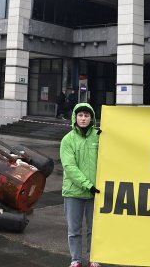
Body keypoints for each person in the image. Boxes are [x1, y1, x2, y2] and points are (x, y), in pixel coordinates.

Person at [60, 102, 101, 267]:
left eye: (86, 115)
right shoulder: (67, 140)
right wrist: (88, 185)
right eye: (80, 115)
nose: (83, 118)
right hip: (74, 192)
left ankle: (94, 258)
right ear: (75, 117)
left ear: (92, 118)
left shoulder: (99, 137)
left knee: (94, 229)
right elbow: (69, 167)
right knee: (74, 229)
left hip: (95, 192)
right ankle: (75, 259)